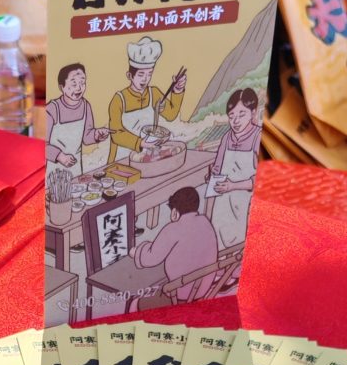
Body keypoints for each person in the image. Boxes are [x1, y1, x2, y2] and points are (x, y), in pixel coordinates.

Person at [129, 188, 218, 302]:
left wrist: (137, 252)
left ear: (174, 212)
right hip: (204, 287)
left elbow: (151, 258)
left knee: (136, 301)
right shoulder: (205, 222)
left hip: (181, 292)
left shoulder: (173, 228)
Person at [107, 36, 186, 164]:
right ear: (129, 75)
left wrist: (178, 89)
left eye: (149, 74)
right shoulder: (119, 99)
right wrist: (140, 143)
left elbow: (171, 115)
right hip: (121, 159)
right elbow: (116, 133)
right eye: (141, 74)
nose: (145, 79)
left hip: (146, 157)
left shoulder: (154, 93)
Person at [206, 87, 262, 250]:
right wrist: (212, 176)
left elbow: (258, 180)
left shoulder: (257, 137)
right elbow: (217, 171)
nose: (236, 121)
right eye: (231, 116)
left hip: (244, 204)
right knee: (217, 244)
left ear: (253, 113)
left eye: (241, 114)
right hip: (222, 205)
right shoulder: (226, 138)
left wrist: (233, 186)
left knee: (238, 247)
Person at [45, 63, 110, 181]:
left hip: (76, 168)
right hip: (54, 170)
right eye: (74, 84)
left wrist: (97, 135)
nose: (79, 88)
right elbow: (43, 145)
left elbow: (87, 137)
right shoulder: (52, 109)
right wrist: (60, 156)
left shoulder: (86, 105)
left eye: (82, 83)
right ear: (62, 87)